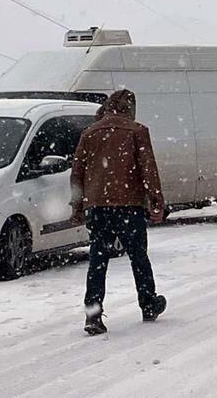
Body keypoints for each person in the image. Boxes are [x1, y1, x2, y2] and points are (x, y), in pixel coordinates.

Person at [70, 89, 167, 336]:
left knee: (97, 260)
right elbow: (148, 168)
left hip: (97, 207)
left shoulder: (89, 133)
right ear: (129, 108)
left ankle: (93, 315)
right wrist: (156, 199)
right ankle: (148, 303)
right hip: (128, 205)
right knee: (138, 256)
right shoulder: (137, 131)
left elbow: (77, 173)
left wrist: (77, 205)